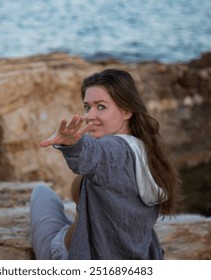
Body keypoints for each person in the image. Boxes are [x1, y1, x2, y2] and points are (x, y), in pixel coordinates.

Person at [30, 68, 181, 260]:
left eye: (101, 107)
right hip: (133, 255)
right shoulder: (146, 147)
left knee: (42, 192)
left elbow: (94, 153)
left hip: (71, 255)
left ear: (126, 111)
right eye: (87, 107)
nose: (90, 116)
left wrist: (74, 145)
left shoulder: (112, 150)